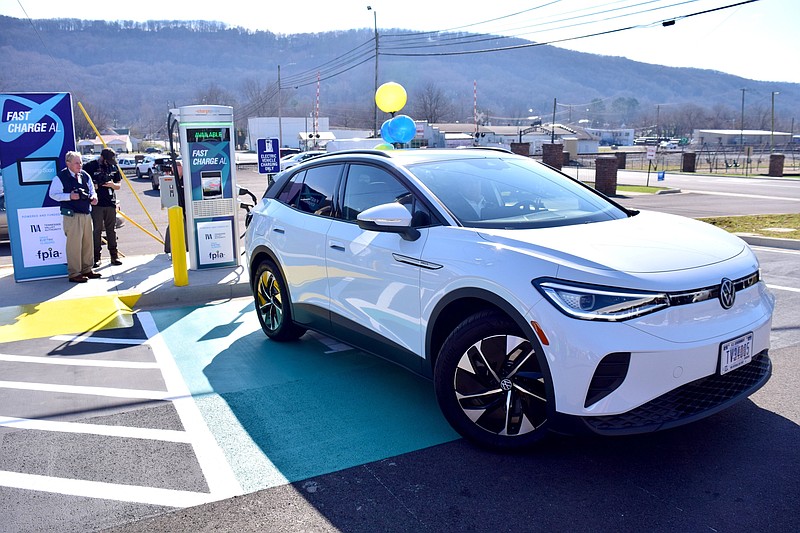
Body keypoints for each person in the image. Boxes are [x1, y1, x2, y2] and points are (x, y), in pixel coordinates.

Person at [48, 151, 101, 283]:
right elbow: (53, 194)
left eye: (81, 162)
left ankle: (87, 269)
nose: (80, 165)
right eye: (76, 163)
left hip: (86, 213)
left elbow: (92, 190)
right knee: (74, 245)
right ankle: (74, 273)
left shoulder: (85, 175)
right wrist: (69, 196)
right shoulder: (60, 177)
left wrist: (94, 198)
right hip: (72, 216)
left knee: (88, 243)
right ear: (68, 163)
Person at [84, 148, 122, 266]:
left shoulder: (113, 167)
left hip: (110, 202)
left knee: (111, 230)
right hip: (97, 204)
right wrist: (93, 186)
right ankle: (96, 257)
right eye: (107, 161)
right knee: (97, 230)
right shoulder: (90, 166)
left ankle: (114, 256)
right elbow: (82, 181)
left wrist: (112, 185)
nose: (109, 163)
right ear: (102, 157)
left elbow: (118, 185)